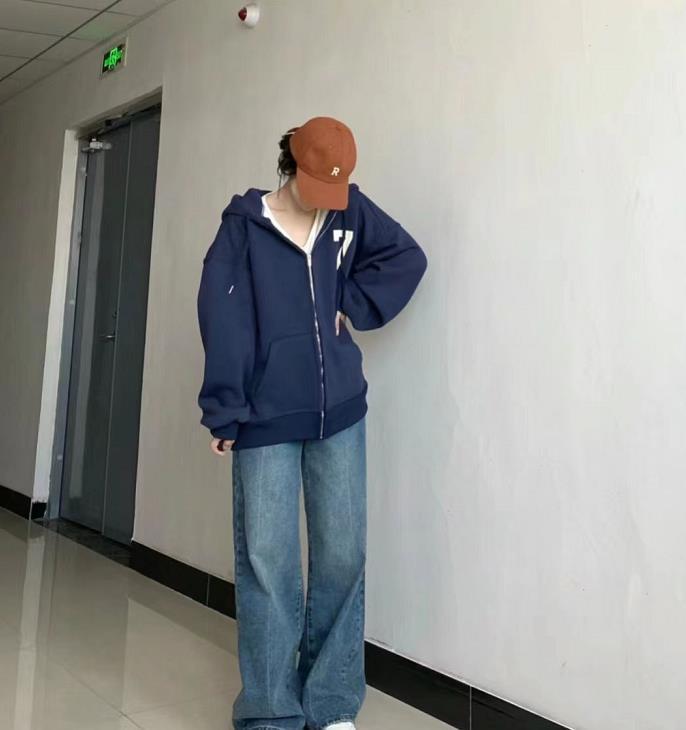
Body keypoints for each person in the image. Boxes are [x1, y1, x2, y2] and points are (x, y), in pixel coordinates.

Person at [196, 116, 428, 730]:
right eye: (317, 185)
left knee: (342, 558)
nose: (328, 199)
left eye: (337, 188)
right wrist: (225, 409)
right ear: (291, 165)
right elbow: (223, 320)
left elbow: (406, 256)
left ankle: (330, 706)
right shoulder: (243, 228)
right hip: (265, 416)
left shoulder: (349, 211)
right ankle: (271, 713)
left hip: (341, 411)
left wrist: (350, 303)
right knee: (268, 563)